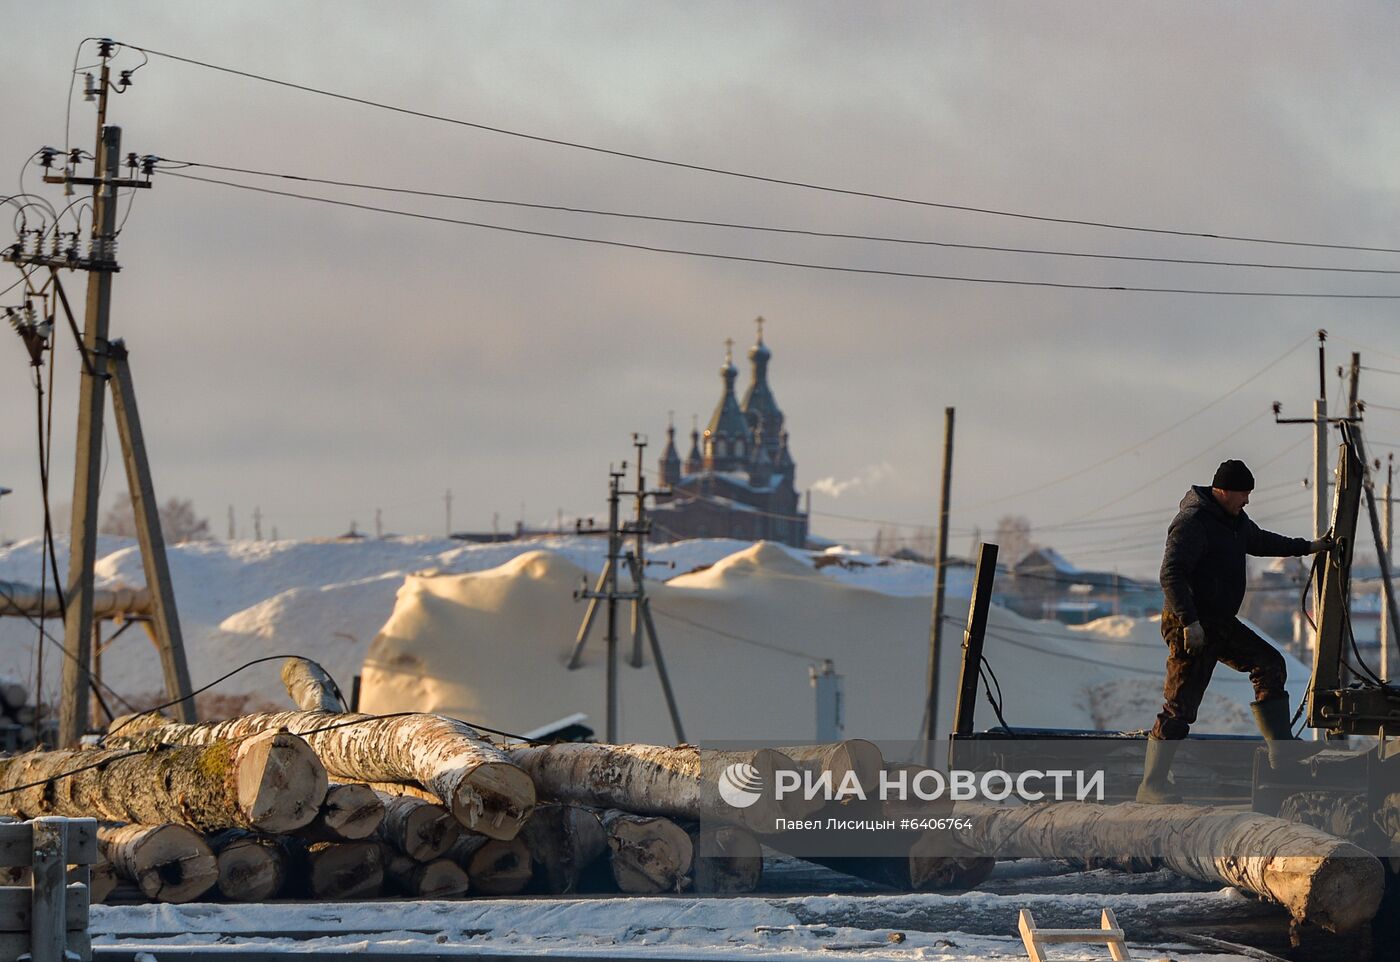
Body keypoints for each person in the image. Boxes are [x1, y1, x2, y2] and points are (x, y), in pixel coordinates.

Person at [1136, 458, 1333, 804]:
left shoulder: (1235, 522)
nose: (1247, 500)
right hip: (1190, 625)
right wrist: (1189, 622)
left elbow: (1263, 541)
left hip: (1220, 622)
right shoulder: (1193, 522)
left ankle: (1281, 753)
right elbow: (1171, 574)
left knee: (1269, 664)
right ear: (1223, 491)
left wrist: (1309, 546)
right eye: (1243, 494)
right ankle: (1151, 786)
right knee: (1180, 708)